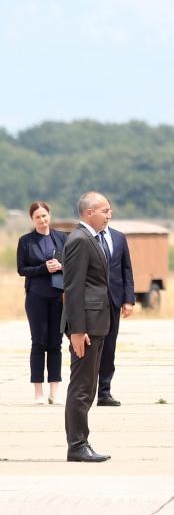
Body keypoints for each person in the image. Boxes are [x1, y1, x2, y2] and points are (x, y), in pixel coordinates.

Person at [62, 191, 113, 462]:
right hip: (86, 327)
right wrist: (77, 330)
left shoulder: (92, 239)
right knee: (81, 387)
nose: (109, 215)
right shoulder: (80, 240)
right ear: (89, 212)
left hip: (97, 324)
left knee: (88, 386)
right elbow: (73, 287)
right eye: (105, 210)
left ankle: (81, 441)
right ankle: (77, 445)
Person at [17, 201, 68, 405]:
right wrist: (43, 268)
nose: (42, 220)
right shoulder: (26, 241)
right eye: (37, 217)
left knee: (56, 343)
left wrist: (61, 265)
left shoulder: (62, 238)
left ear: (50, 215)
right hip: (36, 296)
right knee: (38, 342)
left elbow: (72, 264)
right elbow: (22, 270)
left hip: (58, 296)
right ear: (32, 219)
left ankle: (54, 392)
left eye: (44, 216)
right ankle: (38, 392)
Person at [96, 210, 135, 407]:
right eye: (104, 211)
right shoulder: (85, 238)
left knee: (109, 347)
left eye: (109, 211)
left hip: (114, 300)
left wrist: (129, 299)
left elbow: (126, 269)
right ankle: (84, 389)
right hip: (92, 302)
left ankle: (104, 392)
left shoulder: (119, 237)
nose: (108, 215)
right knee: (90, 347)